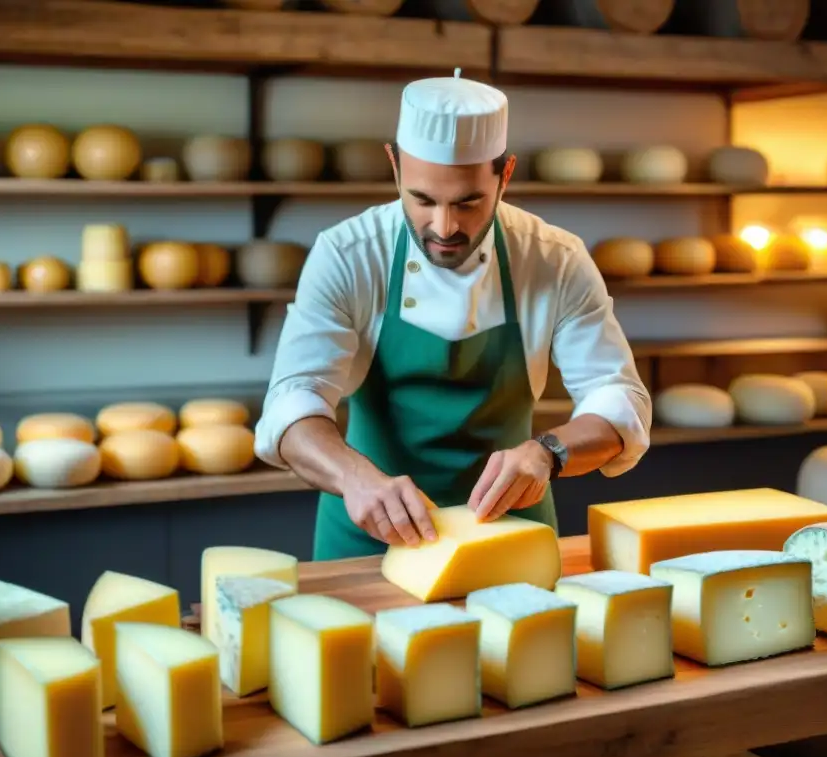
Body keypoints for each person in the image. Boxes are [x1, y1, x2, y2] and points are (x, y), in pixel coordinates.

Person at [254, 69, 652, 561]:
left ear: (505, 175)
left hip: (509, 534)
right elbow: (293, 401)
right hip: (369, 536)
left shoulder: (554, 258)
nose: (444, 227)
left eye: (468, 203)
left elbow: (620, 400)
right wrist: (355, 477)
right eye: (421, 200)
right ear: (394, 166)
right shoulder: (348, 254)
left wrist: (548, 453)